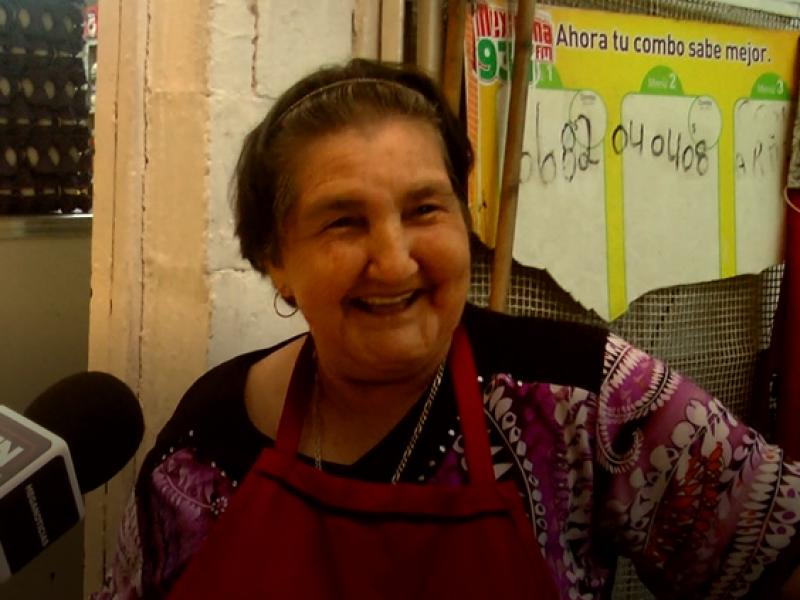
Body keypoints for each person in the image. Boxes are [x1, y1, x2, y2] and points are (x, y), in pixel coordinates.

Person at [91, 58, 800, 600]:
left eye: (425, 209)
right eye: (344, 221)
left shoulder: (582, 398)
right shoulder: (206, 446)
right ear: (275, 261)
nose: (394, 259)